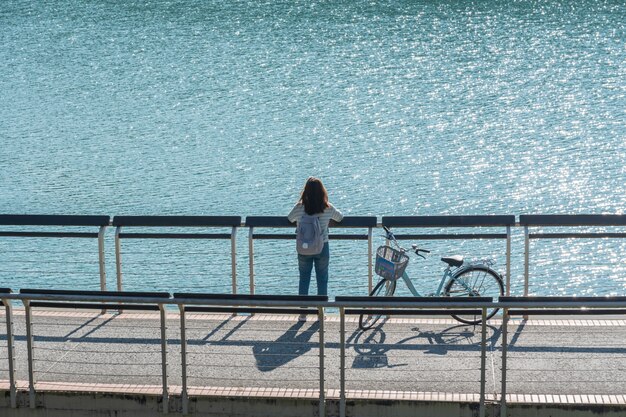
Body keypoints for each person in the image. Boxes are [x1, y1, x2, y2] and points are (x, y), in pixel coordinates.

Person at [288, 177, 343, 300]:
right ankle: (321, 312)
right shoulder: (327, 208)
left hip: (303, 247)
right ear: (322, 192)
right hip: (322, 246)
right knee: (322, 279)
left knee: (304, 279)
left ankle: (303, 311)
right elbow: (340, 217)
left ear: (305, 191)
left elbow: (289, 218)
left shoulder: (299, 207)